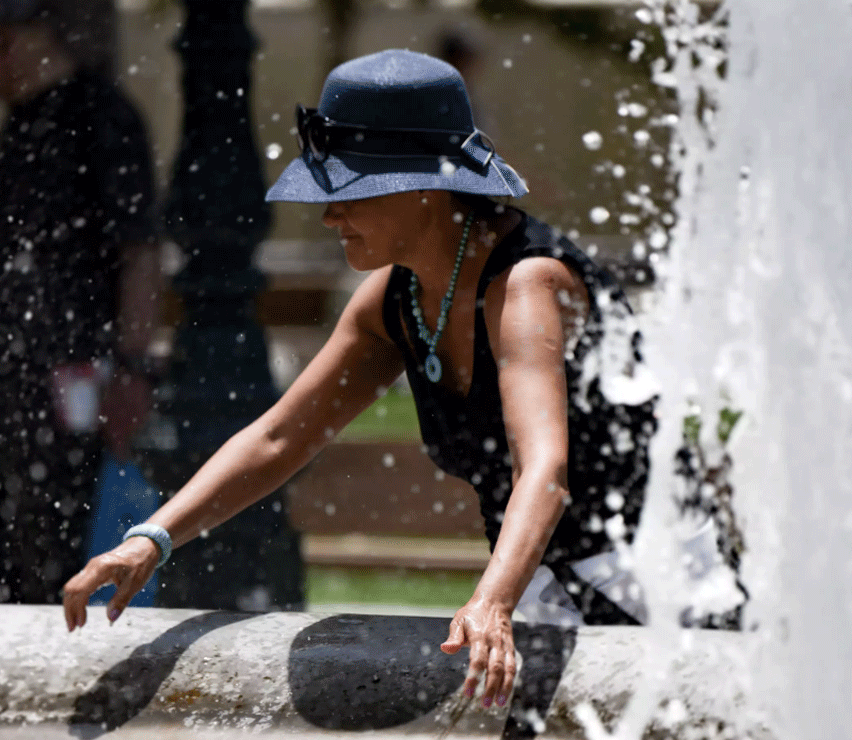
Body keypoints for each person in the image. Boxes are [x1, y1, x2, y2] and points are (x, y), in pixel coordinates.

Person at [63, 49, 736, 704]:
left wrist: (492, 603)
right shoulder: (397, 297)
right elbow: (279, 439)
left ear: (422, 188)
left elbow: (546, 471)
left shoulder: (528, 283)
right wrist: (151, 539)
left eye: (348, 191)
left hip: (661, 590)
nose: (329, 214)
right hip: (546, 594)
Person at [0, 0, 165, 604]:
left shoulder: (101, 116)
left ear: (4, 36)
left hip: (72, 380)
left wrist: (131, 368)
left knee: (52, 545)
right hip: (4, 380)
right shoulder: (20, 124)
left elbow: (140, 251)